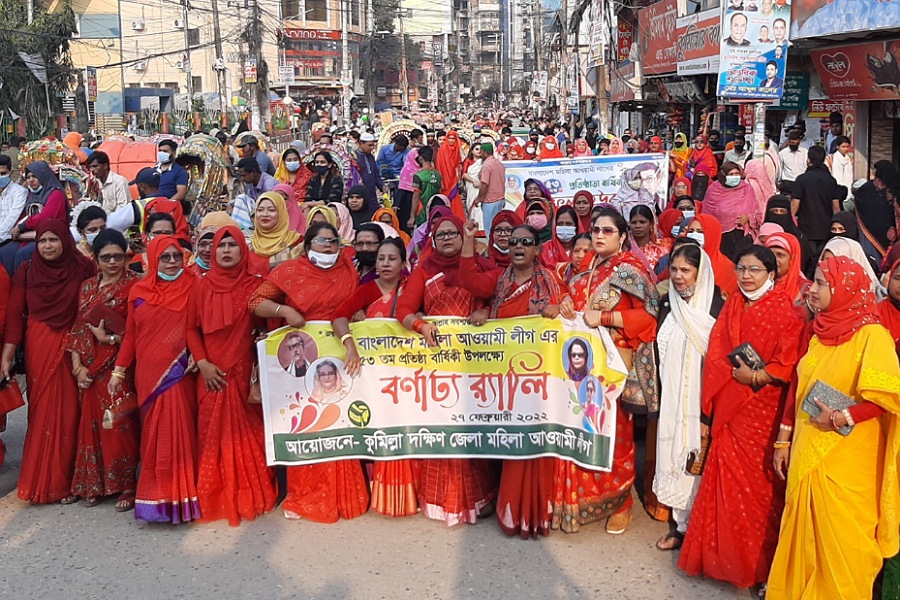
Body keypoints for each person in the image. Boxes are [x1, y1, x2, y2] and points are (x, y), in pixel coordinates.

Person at [767, 256, 900, 599]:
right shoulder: (817, 330)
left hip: (848, 461)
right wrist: (783, 441)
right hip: (806, 449)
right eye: (814, 280)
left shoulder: (873, 336)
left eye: (822, 283)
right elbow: (798, 387)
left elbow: (888, 397)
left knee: (844, 547)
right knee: (802, 541)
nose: (813, 288)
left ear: (845, 289)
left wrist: (842, 418)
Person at [678, 245, 803, 593]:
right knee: (727, 486)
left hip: (763, 411)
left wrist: (758, 378)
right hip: (730, 406)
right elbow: (718, 352)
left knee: (760, 491)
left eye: (754, 270)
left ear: (771, 274)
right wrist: (718, 396)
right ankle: (721, 560)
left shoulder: (786, 312)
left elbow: (789, 363)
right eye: (741, 269)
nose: (746, 276)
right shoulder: (732, 304)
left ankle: (758, 566)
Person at [250, 221, 368, 522]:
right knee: (309, 424)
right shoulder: (290, 272)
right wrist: (284, 311)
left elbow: (355, 306)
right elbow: (255, 302)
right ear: (307, 246)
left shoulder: (347, 271)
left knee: (340, 425)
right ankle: (305, 496)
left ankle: (344, 495)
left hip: (341, 357)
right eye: (321, 242)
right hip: (302, 363)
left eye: (333, 242)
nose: (328, 247)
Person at [555, 208, 660, 534]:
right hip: (581, 369)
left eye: (608, 231)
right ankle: (583, 498)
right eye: (596, 230)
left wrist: (605, 319)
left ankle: (620, 502)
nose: (599, 236)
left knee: (617, 437)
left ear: (623, 236)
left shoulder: (631, 271)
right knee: (583, 431)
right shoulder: (586, 272)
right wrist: (565, 303)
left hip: (615, 368)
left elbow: (649, 317)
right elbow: (571, 300)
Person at [458, 219, 563, 538]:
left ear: (537, 249)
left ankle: (533, 511)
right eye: (513, 242)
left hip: (539, 379)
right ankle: (506, 504)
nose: (518, 247)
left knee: (532, 447)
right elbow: (469, 280)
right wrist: (487, 313)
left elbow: (571, 311)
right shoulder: (500, 281)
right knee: (506, 442)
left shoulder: (551, 283)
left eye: (525, 243)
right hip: (504, 382)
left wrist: (561, 307)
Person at [395, 214, 497, 525]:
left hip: (473, 362)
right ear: (433, 240)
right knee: (442, 426)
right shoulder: (425, 270)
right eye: (441, 235)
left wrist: (485, 309)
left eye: (454, 233)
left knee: (470, 426)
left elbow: (498, 297)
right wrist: (421, 325)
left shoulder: (480, 265)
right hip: (436, 362)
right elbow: (404, 309)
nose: (448, 239)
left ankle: (478, 497)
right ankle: (439, 500)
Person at [186, 225, 277, 526]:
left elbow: (270, 324)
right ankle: (214, 497)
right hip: (211, 372)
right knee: (212, 434)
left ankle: (253, 493)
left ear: (243, 249)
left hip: (244, 373)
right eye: (220, 246)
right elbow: (191, 329)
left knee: (248, 433)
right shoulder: (200, 286)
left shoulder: (257, 285)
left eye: (232, 245)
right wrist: (203, 363)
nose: (226, 251)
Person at [1, 220, 96, 504]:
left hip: (75, 342)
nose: (48, 246)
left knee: (73, 411)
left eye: (54, 240)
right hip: (40, 343)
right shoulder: (27, 271)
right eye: (43, 241)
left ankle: (73, 479)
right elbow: (16, 315)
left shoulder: (82, 268)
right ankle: (43, 480)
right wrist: (6, 356)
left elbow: (94, 305)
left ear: (65, 241)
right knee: (42, 410)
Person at [109, 235, 200, 523]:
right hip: (147, 375)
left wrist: (200, 355)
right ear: (153, 258)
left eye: (176, 256)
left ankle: (181, 499)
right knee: (152, 438)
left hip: (179, 373)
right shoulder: (139, 290)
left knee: (178, 434)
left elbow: (198, 328)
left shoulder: (193, 286)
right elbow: (132, 336)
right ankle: (154, 500)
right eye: (165, 257)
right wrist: (118, 371)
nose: (172, 262)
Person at [332, 237, 413, 517]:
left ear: (403, 263)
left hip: (407, 374)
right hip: (375, 376)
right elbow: (339, 317)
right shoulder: (368, 289)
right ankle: (378, 489)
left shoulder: (412, 288)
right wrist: (349, 345)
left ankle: (405, 492)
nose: (385, 263)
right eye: (381, 258)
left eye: (392, 258)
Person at [653, 242, 724, 551]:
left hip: (702, 403)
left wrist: (710, 412)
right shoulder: (668, 305)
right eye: (675, 270)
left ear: (701, 272)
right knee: (675, 458)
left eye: (686, 270)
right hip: (672, 402)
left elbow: (721, 363)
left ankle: (700, 528)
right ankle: (681, 526)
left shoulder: (716, 308)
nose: (679, 277)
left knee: (699, 459)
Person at [66, 229, 139, 510]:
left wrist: (107, 339)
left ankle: (126, 485)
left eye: (117, 257)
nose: (112, 262)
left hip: (119, 364)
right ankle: (94, 482)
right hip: (88, 366)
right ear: (95, 259)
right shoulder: (86, 287)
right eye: (105, 257)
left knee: (119, 422)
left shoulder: (135, 286)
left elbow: (137, 332)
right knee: (92, 424)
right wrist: (77, 368)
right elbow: (77, 327)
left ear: (125, 256)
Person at [2, 161, 68, 275]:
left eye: (35, 176)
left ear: (43, 175)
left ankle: (22, 286)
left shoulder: (55, 194)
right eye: (28, 177)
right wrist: (18, 228)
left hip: (51, 235)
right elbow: (24, 215)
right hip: (30, 235)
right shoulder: (32, 195)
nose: (31, 180)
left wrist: (21, 227)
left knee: (22, 254)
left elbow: (45, 218)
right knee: (5, 252)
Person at [702, 162, 759, 260]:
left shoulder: (747, 189)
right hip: (720, 238)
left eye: (737, 174)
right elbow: (707, 215)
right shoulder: (713, 190)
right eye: (731, 174)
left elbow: (756, 211)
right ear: (723, 175)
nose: (734, 177)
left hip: (741, 237)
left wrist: (748, 218)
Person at [680, 214, 739, 295]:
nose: (694, 235)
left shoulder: (727, 268)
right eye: (690, 231)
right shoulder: (679, 260)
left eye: (700, 232)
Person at [248, 191, 301, 274]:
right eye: (260, 210)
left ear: (281, 213)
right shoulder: (248, 242)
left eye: (271, 210)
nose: (265, 214)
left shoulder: (296, 242)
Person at [764, 232, 811, 308]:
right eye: (770, 254)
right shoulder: (755, 285)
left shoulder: (807, 290)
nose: (774, 259)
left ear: (792, 258)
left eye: (780, 255)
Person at [233, 157, 278, 230]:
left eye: (244, 175)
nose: (242, 179)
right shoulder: (251, 183)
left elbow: (272, 206)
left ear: (253, 172)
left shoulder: (268, 184)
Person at [629, 205, 674, 275]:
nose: (637, 226)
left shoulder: (664, 248)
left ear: (651, 224)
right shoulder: (624, 249)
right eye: (634, 222)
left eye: (642, 222)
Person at [473, 142, 506, 232]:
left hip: (490, 201)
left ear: (484, 152)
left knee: (489, 229)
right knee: (497, 227)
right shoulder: (499, 164)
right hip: (500, 199)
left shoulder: (487, 166)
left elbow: (484, 184)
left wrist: (479, 198)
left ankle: (491, 246)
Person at [411, 147, 442, 228]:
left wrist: (412, 217)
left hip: (422, 213)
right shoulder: (438, 174)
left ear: (420, 158)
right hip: (435, 211)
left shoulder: (418, 176)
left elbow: (415, 198)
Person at [434, 130, 464, 218]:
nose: (451, 140)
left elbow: (459, 163)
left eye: (453, 138)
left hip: (453, 178)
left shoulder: (458, 150)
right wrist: (441, 180)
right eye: (449, 138)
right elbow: (439, 165)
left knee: (455, 199)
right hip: (445, 178)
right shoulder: (442, 150)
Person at [0, 154, 28, 246]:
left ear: (10, 173)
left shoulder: (20, 192)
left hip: (9, 239)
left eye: (3, 174)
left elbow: (12, 218)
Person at [354, 132, 384, 211]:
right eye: (369, 145)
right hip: (360, 196)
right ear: (361, 143)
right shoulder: (354, 157)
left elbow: (376, 174)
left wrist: (382, 186)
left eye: (373, 145)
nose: (371, 148)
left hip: (372, 195)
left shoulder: (370, 156)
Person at [155, 140, 189, 204]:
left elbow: (181, 194)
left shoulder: (180, 172)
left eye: (165, 151)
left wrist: (167, 204)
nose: (161, 153)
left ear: (173, 153)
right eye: (160, 150)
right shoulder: (154, 170)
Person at [778, 130, 808, 197]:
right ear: (788, 142)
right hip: (787, 182)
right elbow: (780, 168)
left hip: (802, 182)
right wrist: (779, 182)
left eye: (795, 143)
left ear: (799, 142)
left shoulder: (805, 152)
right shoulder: (782, 153)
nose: (794, 145)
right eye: (792, 143)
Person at [461, 143, 483, 217]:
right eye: (476, 149)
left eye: (480, 149)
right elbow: (464, 174)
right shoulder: (468, 161)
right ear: (472, 151)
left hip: (482, 187)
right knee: (472, 206)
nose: (479, 151)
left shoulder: (484, 161)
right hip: (471, 186)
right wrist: (473, 181)